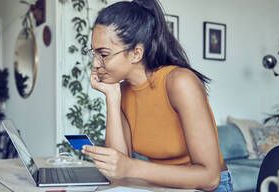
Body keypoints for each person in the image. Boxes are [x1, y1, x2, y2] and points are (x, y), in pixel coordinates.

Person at [81, 0, 232, 191]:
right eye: (93, 53)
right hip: (161, 186)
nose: (95, 64)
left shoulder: (180, 82)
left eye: (103, 54)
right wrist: (111, 96)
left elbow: (209, 178)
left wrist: (131, 167)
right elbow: (116, 170)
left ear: (136, 53)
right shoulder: (123, 91)